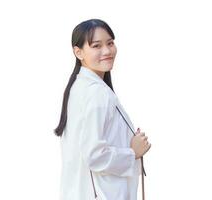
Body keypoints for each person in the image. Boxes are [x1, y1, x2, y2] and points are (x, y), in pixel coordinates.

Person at [54, 18, 151, 200]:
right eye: (96, 46)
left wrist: (128, 137)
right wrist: (133, 152)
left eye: (110, 43)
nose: (107, 51)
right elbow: (95, 155)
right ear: (78, 52)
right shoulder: (96, 92)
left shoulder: (79, 87)